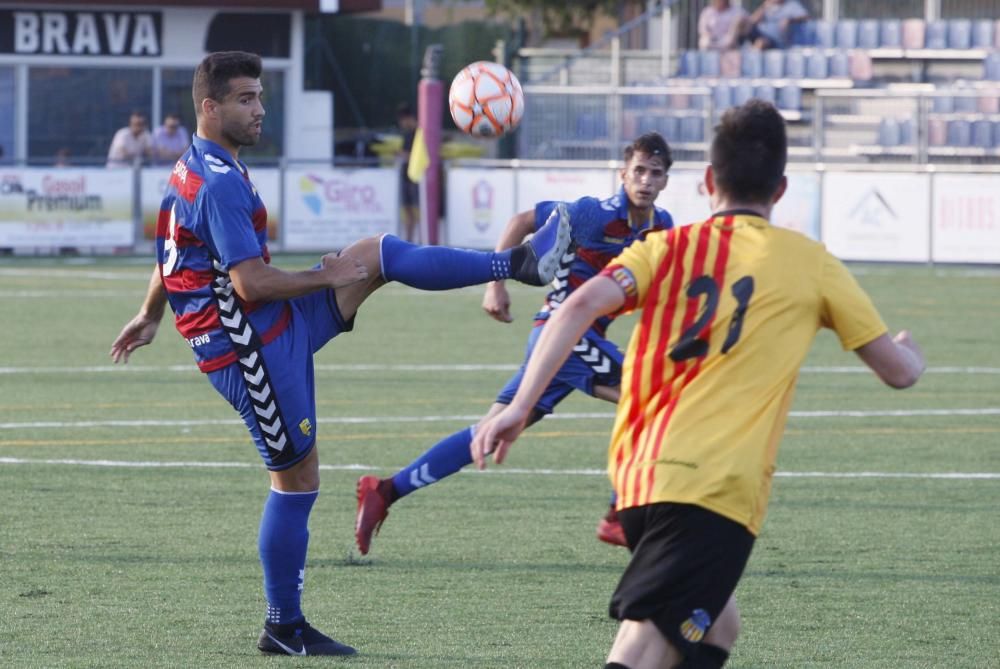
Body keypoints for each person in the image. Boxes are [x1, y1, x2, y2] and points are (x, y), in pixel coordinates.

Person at [109, 50, 572, 658]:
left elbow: (175, 247)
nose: (259, 109)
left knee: (376, 252)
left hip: (266, 323)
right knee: (298, 480)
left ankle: (515, 263)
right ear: (209, 106)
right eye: (246, 99)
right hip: (248, 351)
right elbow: (250, 283)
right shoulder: (217, 180)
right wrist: (324, 278)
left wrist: (149, 314)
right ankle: (283, 626)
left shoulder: (199, 165)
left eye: (259, 98)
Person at [470, 100, 925, 669]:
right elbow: (898, 372)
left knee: (716, 628)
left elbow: (578, 303)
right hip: (713, 488)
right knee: (645, 642)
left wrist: (520, 405)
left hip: (637, 481)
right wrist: (914, 354)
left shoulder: (665, 246)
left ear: (709, 180)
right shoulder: (811, 263)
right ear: (780, 190)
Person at [354, 132, 675, 556]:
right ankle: (619, 513)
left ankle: (386, 490)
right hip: (562, 333)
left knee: (488, 431)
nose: (646, 180)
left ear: (666, 180)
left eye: (656, 173)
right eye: (639, 170)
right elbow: (522, 221)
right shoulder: (592, 214)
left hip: (579, 342)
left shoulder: (663, 227)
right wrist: (496, 285)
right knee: (653, 401)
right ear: (623, 173)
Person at [396, 104, 420, 242]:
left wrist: (401, 154)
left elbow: (415, 156)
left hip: (415, 178)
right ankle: (409, 240)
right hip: (406, 177)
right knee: (408, 211)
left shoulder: (418, 133)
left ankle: (420, 239)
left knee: (418, 210)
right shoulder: (406, 134)